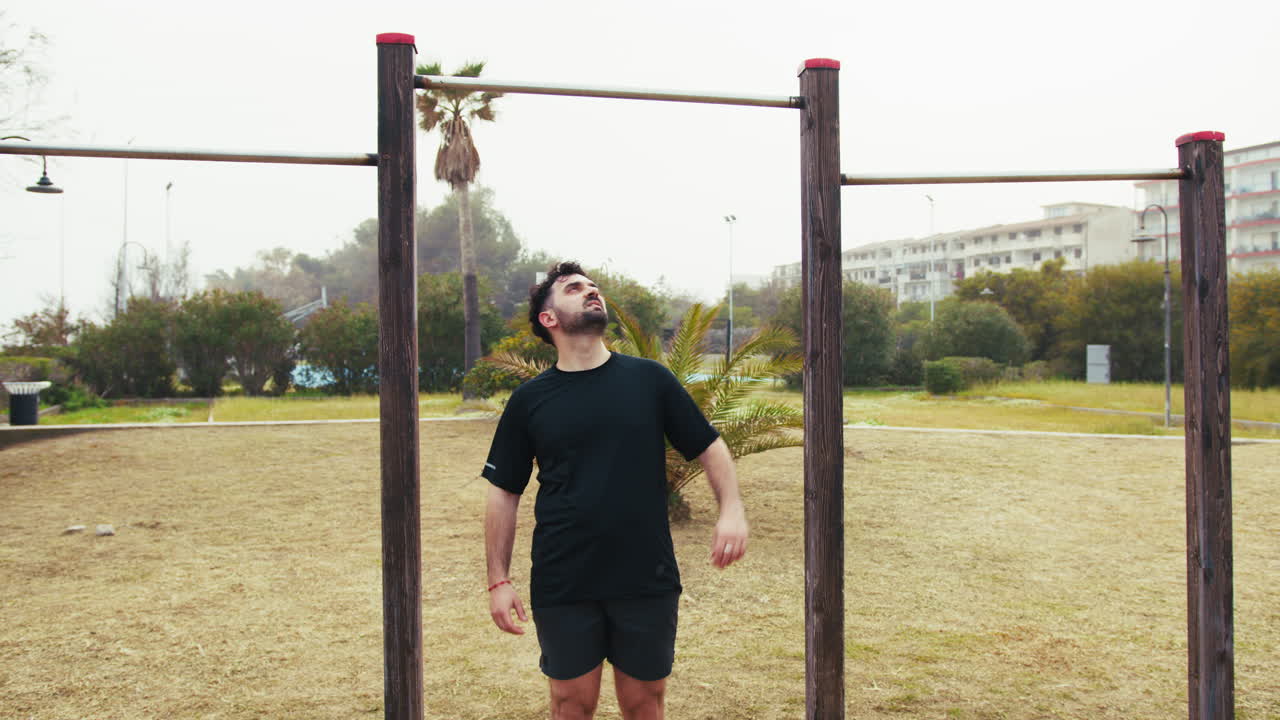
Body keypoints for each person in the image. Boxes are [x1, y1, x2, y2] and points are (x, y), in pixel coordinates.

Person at [482, 261, 748, 720]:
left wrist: (732, 510)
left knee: (645, 703)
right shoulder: (530, 401)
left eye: (593, 287)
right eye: (574, 288)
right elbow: (504, 492)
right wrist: (498, 580)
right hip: (563, 578)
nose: (591, 292)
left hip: (645, 576)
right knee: (571, 703)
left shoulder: (651, 381)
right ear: (549, 319)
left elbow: (710, 446)